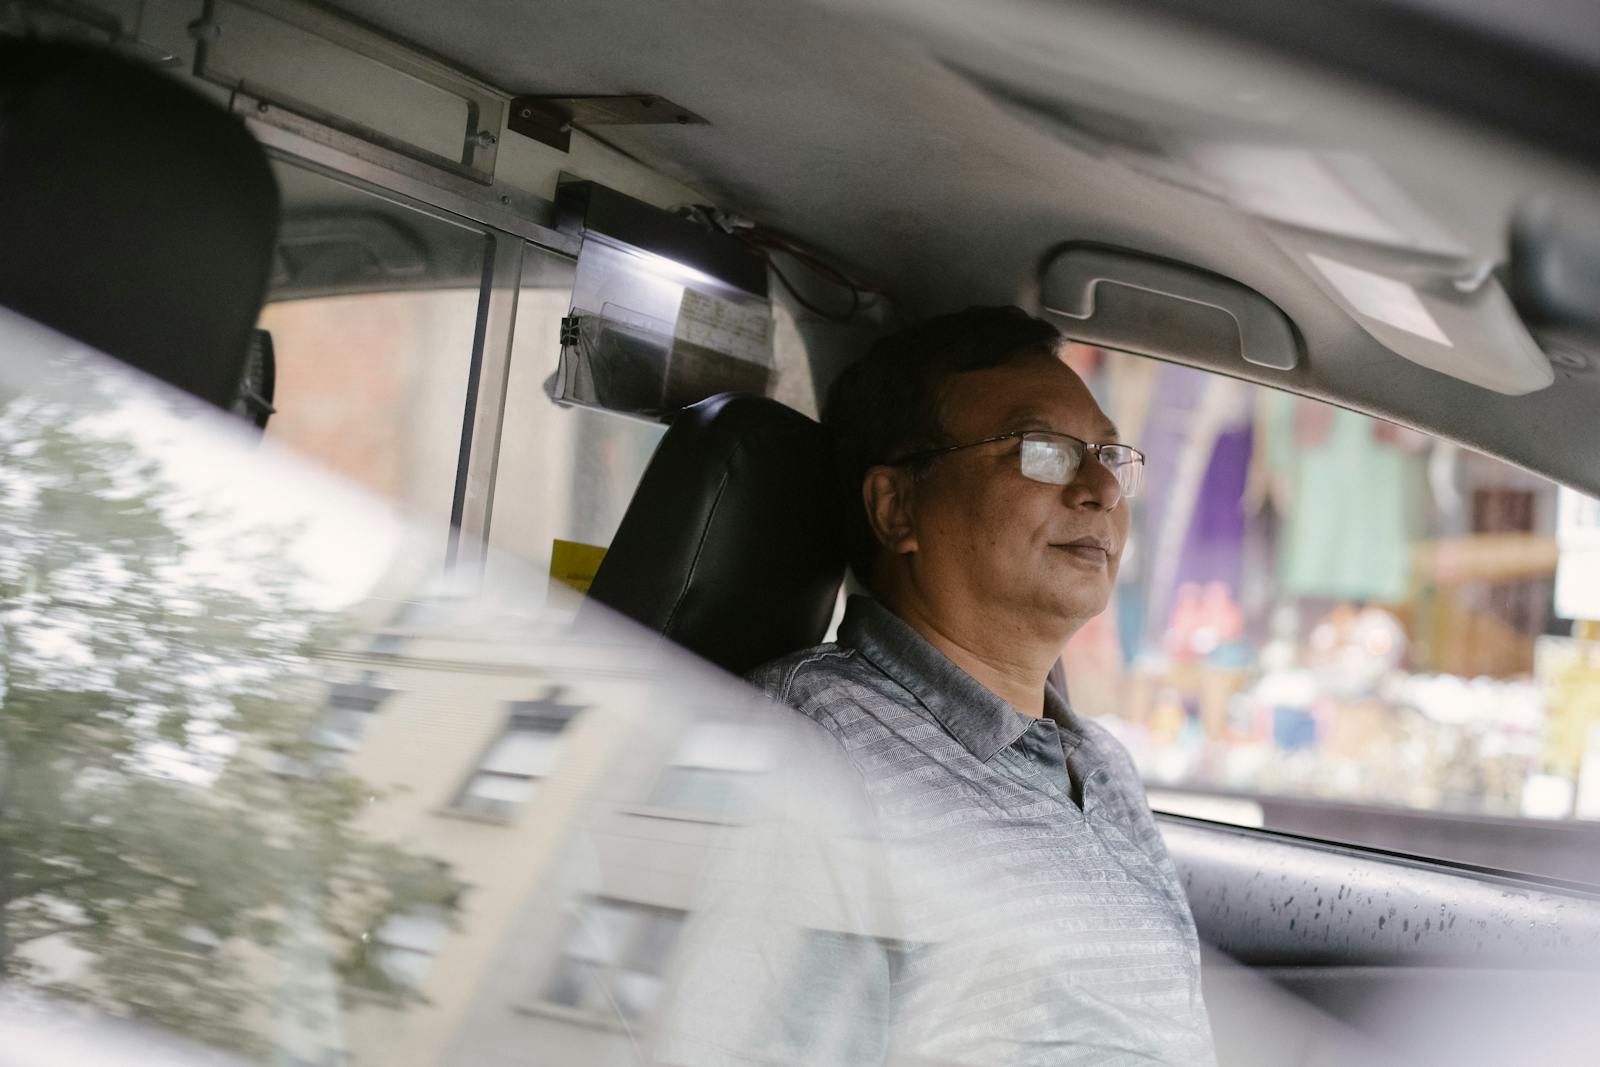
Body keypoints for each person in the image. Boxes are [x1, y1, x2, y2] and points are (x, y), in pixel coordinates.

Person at [659, 306, 1214, 1067]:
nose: (1100, 489)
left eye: (1108, 454)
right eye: (1042, 449)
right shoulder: (809, 752)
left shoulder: (1100, 762)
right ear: (897, 507)